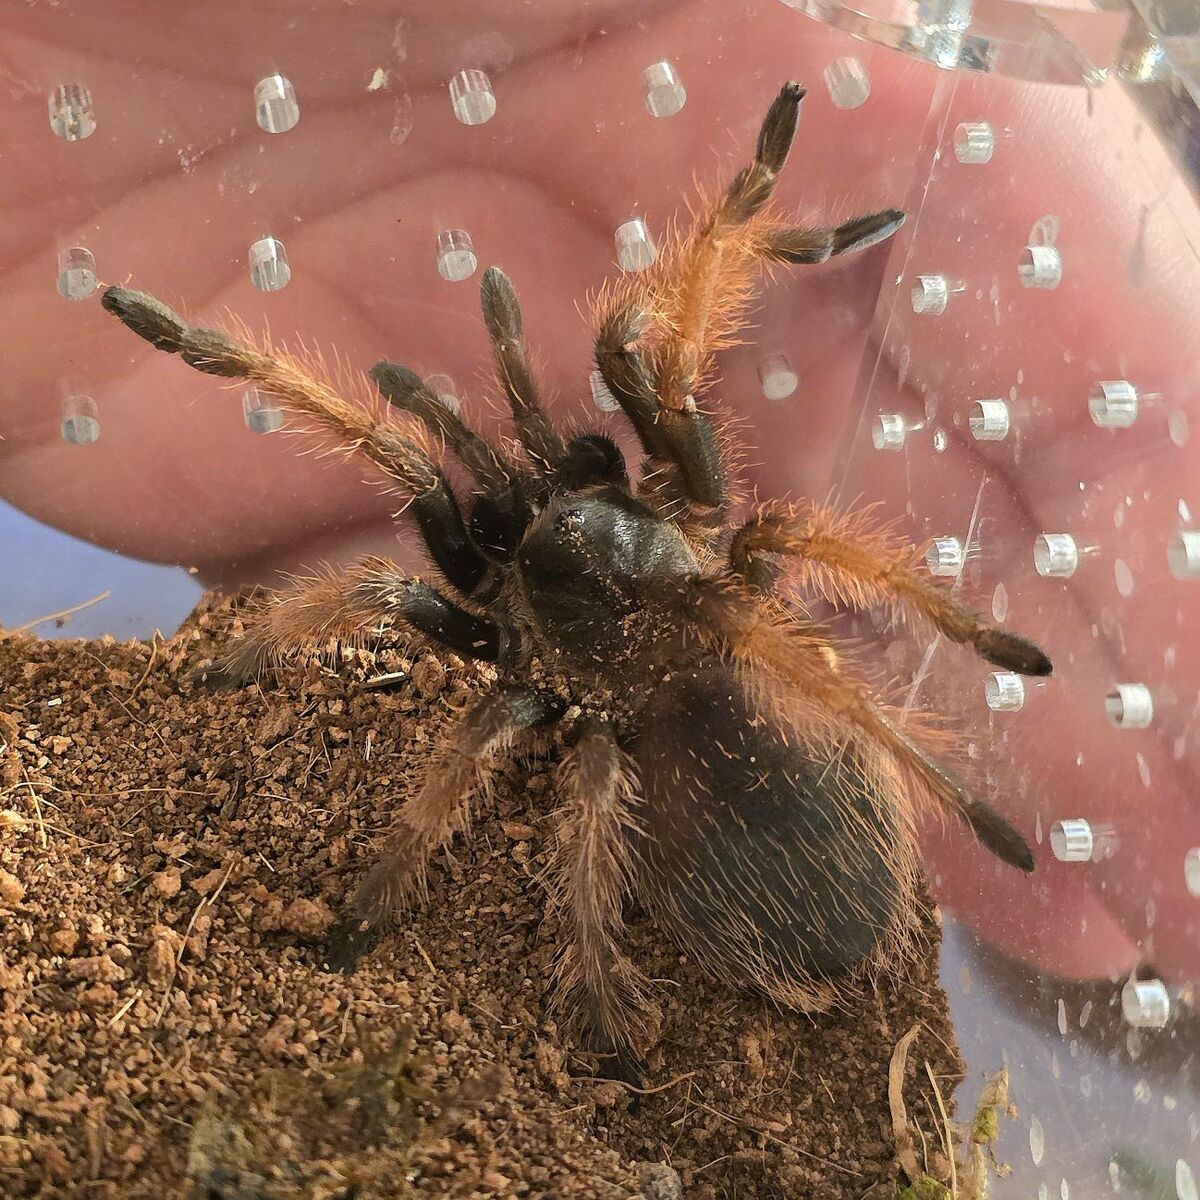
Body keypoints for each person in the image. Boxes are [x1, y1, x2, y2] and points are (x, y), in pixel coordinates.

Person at [2, 0, 1197, 1000]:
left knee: (577, 682)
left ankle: (582, 976)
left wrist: (734, 224)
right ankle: (606, 973)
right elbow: (646, 365)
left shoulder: (650, 623)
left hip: (713, 761)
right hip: (712, 759)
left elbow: (605, 377)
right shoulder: (716, 568)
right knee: (705, 608)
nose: (546, 483)